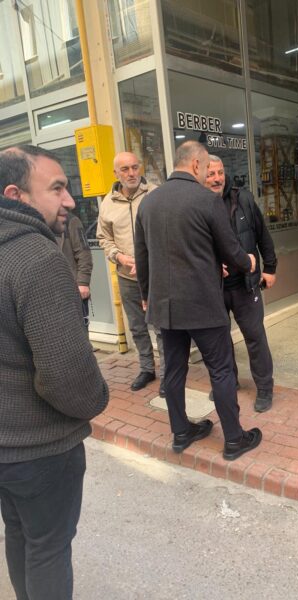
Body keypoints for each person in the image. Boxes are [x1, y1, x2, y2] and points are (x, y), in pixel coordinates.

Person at [0, 145, 109, 600]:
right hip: (39, 448)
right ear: (16, 195)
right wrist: (97, 399)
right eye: (57, 188)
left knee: (20, 534)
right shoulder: (37, 258)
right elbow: (66, 377)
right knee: (47, 547)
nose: (69, 200)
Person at [135, 141, 262, 461]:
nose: (208, 174)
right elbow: (231, 249)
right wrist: (248, 262)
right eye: (206, 168)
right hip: (203, 303)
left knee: (174, 369)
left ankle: (181, 432)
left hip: (166, 306)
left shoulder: (148, 203)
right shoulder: (207, 200)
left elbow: (143, 256)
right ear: (195, 164)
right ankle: (234, 439)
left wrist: (146, 296)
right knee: (220, 370)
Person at [205, 155, 277, 412]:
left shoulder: (243, 198)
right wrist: (212, 264)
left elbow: (262, 235)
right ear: (201, 175)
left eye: (220, 172)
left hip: (246, 284)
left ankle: (265, 388)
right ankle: (229, 382)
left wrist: (270, 268)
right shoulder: (198, 204)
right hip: (214, 287)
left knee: (255, 337)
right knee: (220, 340)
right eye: (211, 174)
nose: (217, 179)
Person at [97, 151, 165, 393]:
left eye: (135, 167)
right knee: (137, 327)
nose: (131, 173)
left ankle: (168, 373)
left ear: (141, 168)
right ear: (116, 173)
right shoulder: (108, 203)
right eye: (125, 169)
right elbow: (104, 238)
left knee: (161, 327)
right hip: (127, 276)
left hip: (156, 275)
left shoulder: (156, 194)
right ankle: (147, 368)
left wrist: (151, 260)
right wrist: (119, 257)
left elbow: (168, 231)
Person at [57, 212, 93, 329]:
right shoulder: (35, 222)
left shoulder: (71, 221)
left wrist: (83, 282)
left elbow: (84, 254)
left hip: (72, 289)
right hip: (49, 291)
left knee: (79, 330)